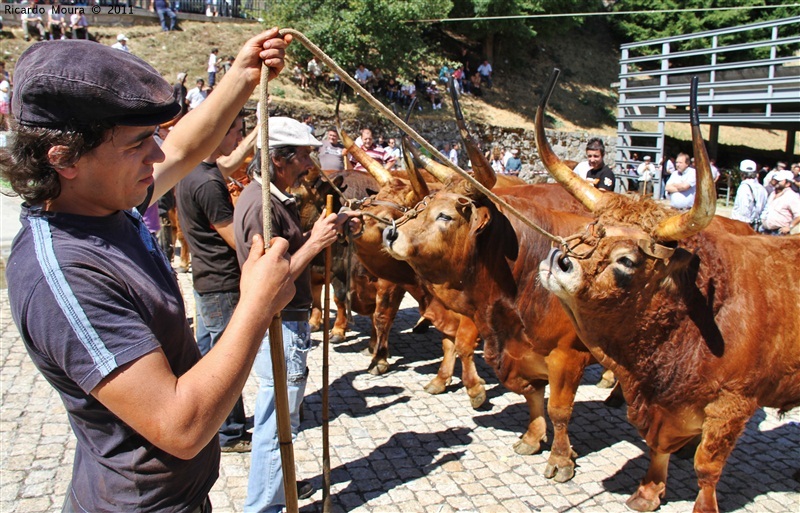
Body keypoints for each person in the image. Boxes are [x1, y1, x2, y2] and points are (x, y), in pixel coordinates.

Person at [0, 29, 292, 512]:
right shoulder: (64, 273)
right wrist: (257, 304)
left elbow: (182, 151)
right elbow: (181, 426)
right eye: (138, 143)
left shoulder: (101, 203)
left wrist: (242, 76)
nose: (157, 154)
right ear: (65, 158)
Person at [234, 116, 360, 513]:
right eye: (304, 156)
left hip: (286, 321)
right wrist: (314, 244)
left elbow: (284, 251)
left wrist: (330, 227)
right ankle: (264, 509)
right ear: (278, 159)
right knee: (277, 426)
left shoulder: (269, 199)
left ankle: (273, 496)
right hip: (280, 325)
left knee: (280, 420)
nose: (309, 165)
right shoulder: (262, 207)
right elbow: (271, 280)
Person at [176, 111, 253, 453]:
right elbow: (237, 239)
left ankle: (205, 420)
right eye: (235, 131)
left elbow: (231, 160)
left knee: (206, 356)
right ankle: (231, 433)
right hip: (222, 281)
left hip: (205, 278)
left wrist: (257, 134)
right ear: (218, 133)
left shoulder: (194, 169)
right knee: (225, 363)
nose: (238, 138)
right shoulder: (209, 184)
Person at [760, 170, 800, 235]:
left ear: (788, 184)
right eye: (776, 180)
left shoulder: (792, 196)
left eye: (779, 181)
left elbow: (799, 215)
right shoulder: (772, 194)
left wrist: (790, 227)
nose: (776, 182)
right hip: (766, 231)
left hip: (779, 233)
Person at [731, 159, 767, 229]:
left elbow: (743, 210)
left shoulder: (744, 187)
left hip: (742, 225)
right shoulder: (762, 188)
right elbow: (765, 208)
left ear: (741, 173)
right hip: (756, 225)